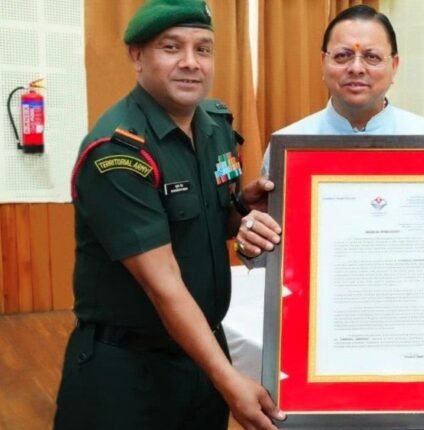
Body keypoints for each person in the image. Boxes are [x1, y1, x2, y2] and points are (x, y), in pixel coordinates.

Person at [55, 1, 284, 429]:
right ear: (137, 56)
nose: (191, 62)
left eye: (203, 49)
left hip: (201, 355)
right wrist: (229, 381)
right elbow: (162, 284)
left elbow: (205, 220)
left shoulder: (215, 126)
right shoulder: (119, 152)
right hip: (128, 373)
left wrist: (242, 212)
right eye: (171, 47)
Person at [255, 5, 424, 183]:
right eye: (342, 56)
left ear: (394, 66)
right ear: (323, 63)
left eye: (372, 57)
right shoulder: (286, 147)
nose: (356, 68)